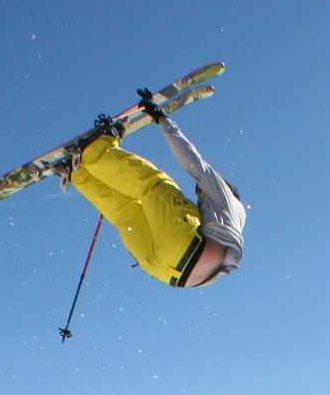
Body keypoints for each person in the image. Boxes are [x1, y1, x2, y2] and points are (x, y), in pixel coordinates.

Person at [56, 90, 245, 288]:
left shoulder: (224, 195)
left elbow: (192, 161)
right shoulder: (228, 229)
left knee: (154, 185)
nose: (198, 192)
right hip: (165, 273)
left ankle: (94, 150)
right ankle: (76, 173)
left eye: (199, 190)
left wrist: (162, 118)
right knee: (126, 214)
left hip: (187, 246)